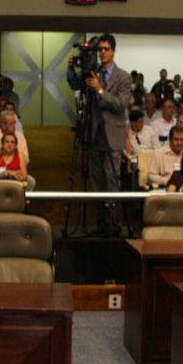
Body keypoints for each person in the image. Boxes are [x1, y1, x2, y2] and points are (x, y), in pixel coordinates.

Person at [66, 34, 132, 230]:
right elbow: (76, 84)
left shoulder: (123, 77)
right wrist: (71, 70)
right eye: (99, 49)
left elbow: (120, 105)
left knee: (112, 180)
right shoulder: (93, 72)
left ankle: (115, 224)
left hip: (113, 135)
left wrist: (100, 90)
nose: (102, 52)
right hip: (94, 134)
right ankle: (101, 223)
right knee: (97, 182)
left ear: (113, 51)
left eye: (105, 49)